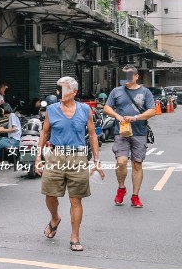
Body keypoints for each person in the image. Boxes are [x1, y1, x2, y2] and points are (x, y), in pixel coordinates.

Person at [36, 76, 103, 252]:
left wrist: (97, 161)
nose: (59, 93)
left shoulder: (85, 109)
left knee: (76, 199)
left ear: (74, 92)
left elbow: (93, 135)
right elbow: (44, 133)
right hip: (55, 156)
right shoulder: (51, 110)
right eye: (58, 89)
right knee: (50, 194)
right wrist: (38, 158)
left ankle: (75, 236)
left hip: (78, 157)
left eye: (64, 89)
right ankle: (55, 218)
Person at [103, 64, 156, 209]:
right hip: (121, 131)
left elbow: (153, 111)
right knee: (121, 162)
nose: (125, 79)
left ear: (136, 76)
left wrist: (137, 117)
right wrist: (117, 116)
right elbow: (107, 107)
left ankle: (135, 196)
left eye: (128, 76)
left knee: (137, 164)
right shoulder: (116, 91)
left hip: (139, 132)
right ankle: (121, 188)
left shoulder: (145, 92)